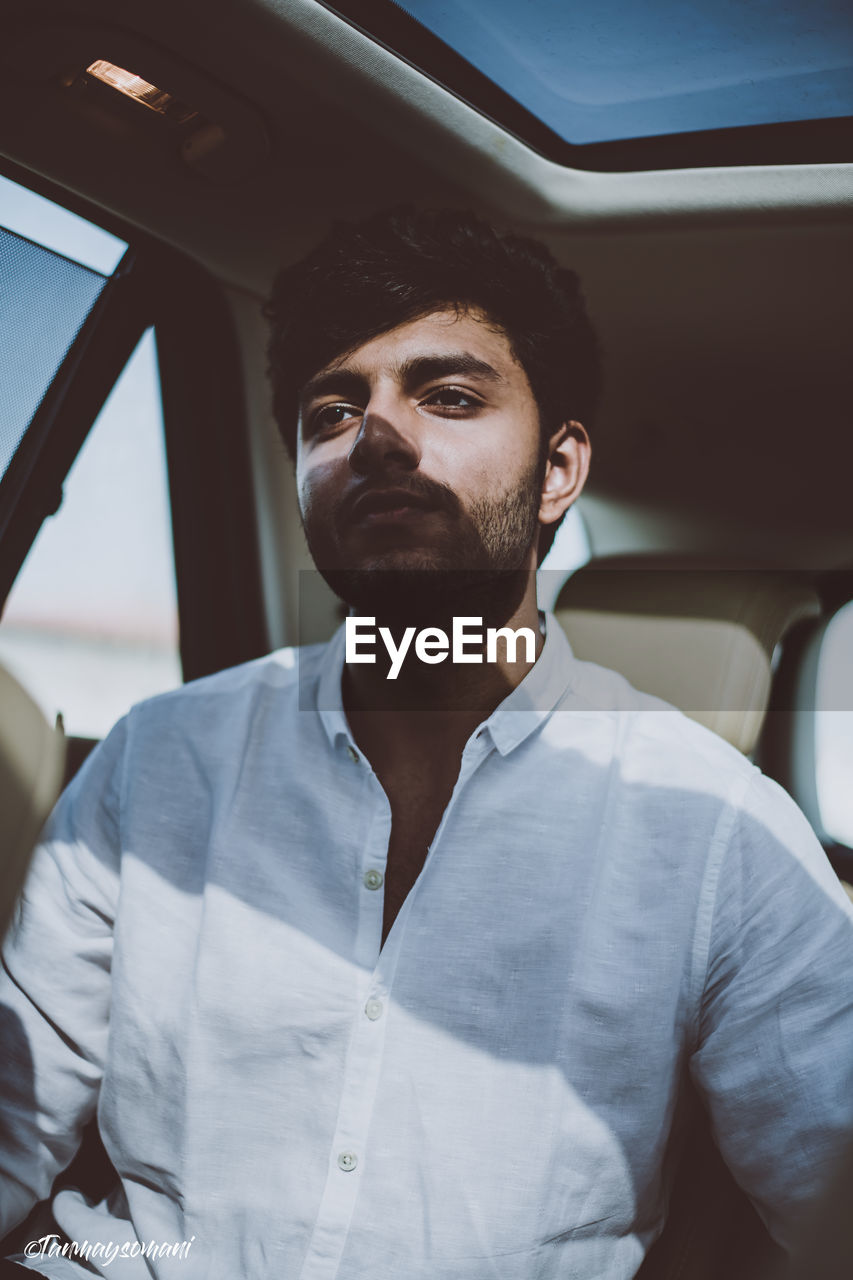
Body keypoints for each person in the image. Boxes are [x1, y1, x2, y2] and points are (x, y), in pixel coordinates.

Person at [1, 207, 851, 1280]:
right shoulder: (157, 756)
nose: (379, 437)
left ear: (557, 470)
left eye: (448, 396)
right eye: (331, 412)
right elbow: (13, 1116)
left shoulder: (722, 834)